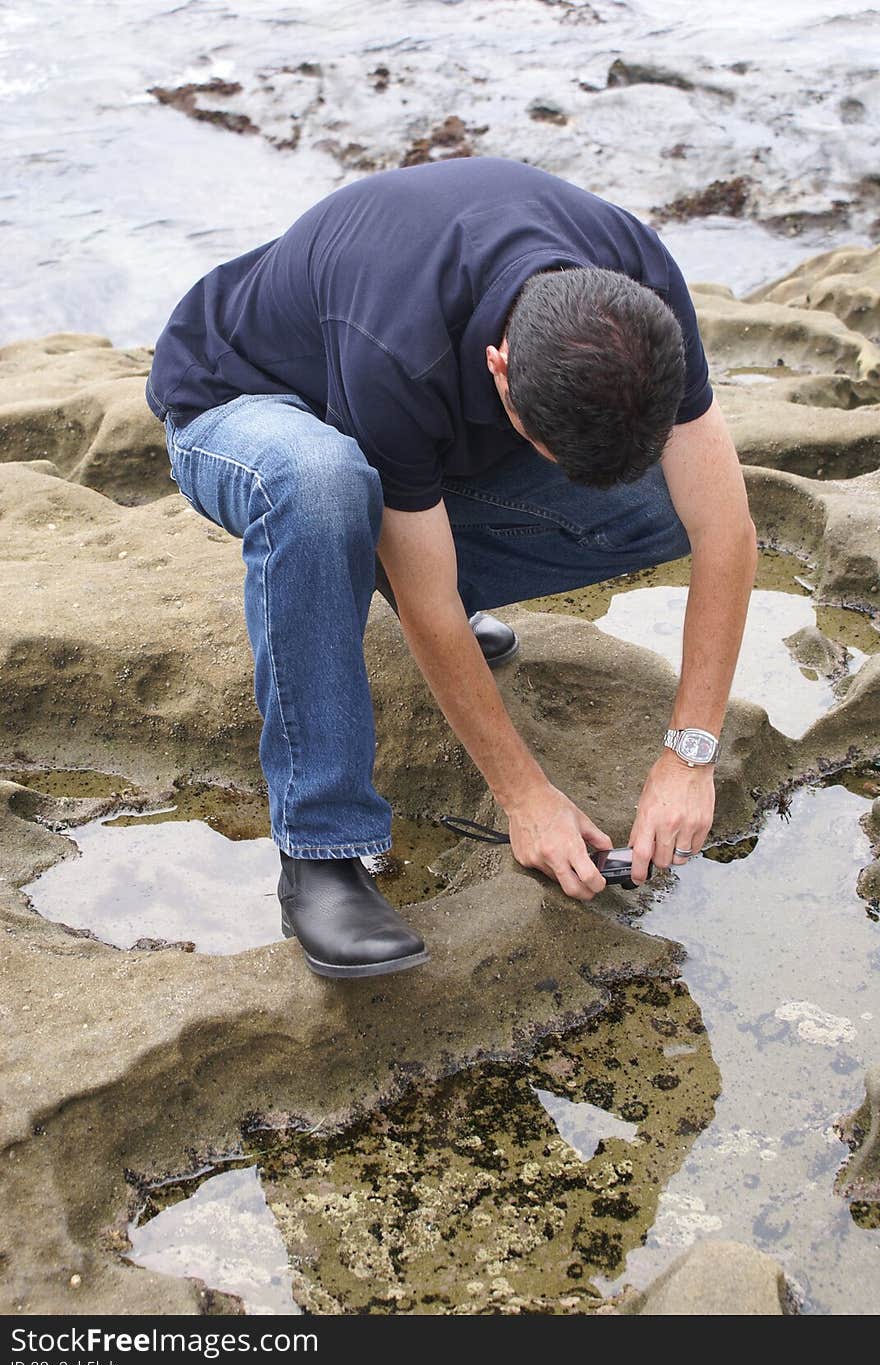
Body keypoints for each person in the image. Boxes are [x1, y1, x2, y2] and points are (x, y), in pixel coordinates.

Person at [146, 156, 757, 980]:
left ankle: (370, 558)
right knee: (323, 485)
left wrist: (690, 754)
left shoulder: (637, 280)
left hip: (401, 428)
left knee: (659, 501)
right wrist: (526, 796)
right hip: (245, 409)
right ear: (501, 369)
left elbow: (726, 530)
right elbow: (430, 609)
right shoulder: (397, 342)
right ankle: (319, 852)